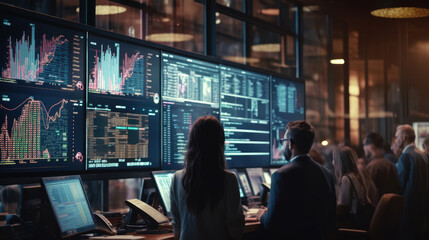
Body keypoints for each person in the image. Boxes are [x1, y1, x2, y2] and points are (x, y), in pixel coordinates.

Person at [257, 120, 336, 240]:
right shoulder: (327, 174)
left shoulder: (281, 175)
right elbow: (332, 219)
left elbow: (271, 223)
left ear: (291, 144)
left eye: (283, 141)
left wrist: (261, 215)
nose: (282, 146)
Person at [169, 116, 244, 240]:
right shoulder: (229, 179)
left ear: (192, 142)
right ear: (220, 144)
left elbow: (177, 228)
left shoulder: (177, 178)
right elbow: (235, 230)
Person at [394, 124, 429, 240]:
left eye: (397, 136)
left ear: (404, 137)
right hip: (422, 207)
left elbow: (400, 184)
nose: (396, 140)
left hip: (408, 208)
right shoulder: (422, 154)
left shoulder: (405, 156)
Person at [333, 146, 378, 229]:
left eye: (334, 159)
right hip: (365, 222)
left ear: (339, 162)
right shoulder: (358, 175)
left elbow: (344, 206)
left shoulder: (346, 179)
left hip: (353, 223)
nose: (332, 162)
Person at [363, 132, 401, 196]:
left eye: (364, 145)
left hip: (378, 205)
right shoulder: (390, 165)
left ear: (371, 147)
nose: (364, 148)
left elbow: (368, 193)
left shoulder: (372, 167)